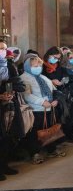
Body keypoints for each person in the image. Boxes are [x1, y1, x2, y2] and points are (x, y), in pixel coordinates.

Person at [20, 54, 65, 164]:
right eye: (35, 66)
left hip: (49, 108)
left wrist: (55, 100)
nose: (38, 68)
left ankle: (51, 149)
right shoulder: (23, 78)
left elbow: (54, 90)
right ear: (28, 66)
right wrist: (41, 102)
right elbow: (26, 95)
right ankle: (34, 153)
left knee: (49, 130)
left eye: (39, 65)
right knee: (35, 133)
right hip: (35, 110)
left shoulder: (43, 77)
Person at [0, 41, 25, 180]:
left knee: (8, 137)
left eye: (4, 49)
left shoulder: (10, 66)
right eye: (0, 49)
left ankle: (4, 165)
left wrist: (11, 90)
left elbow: (20, 85)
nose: (3, 51)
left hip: (10, 105)